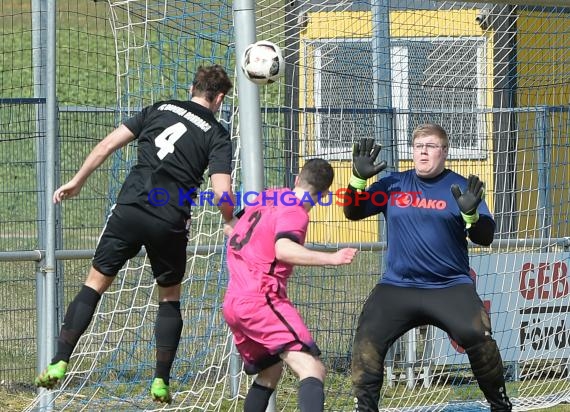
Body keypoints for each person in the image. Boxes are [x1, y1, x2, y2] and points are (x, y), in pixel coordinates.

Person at [35, 65, 236, 404]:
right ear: (218, 98)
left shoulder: (159, 108)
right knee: (169, 298)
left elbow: (107, 145)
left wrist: (77, 180)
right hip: (169, 220)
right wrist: (231, 219)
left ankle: (59, 360)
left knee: (93, 285)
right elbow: (221, 192)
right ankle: (160, 381)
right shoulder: (216, 133)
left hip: (129, 209)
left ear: (192, 87)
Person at [344, 124, 512, 412]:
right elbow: (353, 212)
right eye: (419, 145)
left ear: (444, 152)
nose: (423, 151)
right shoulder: (393, 184)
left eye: (431, 146)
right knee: (366, 341)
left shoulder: (460, 187)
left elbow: (485, 238)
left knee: (478, 337)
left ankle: (500, 405)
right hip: (398, 286)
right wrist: (358, 180)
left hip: (449, 286)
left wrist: (471, 214)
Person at [222, 158, 358, 412]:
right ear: (325, 193)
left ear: (297, 178)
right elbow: (284, 249)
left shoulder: (269, 195)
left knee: (270, 371)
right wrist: (332, 258)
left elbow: (231, 227)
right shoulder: (295, 212)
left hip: (233, 302)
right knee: (312, 368)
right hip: (260, 300)